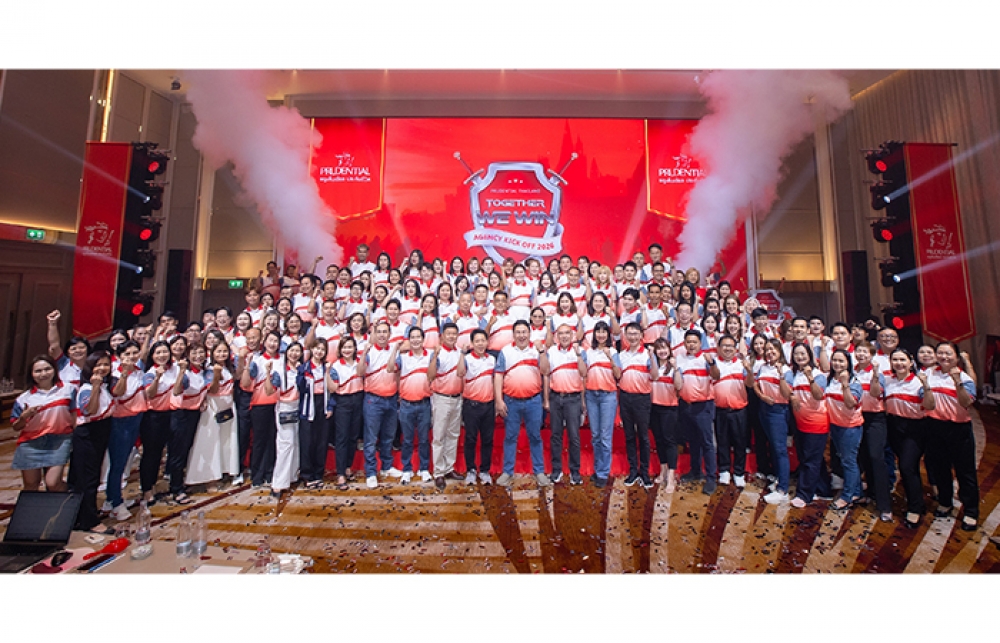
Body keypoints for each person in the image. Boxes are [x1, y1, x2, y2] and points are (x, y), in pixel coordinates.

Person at [925, 342, 980, 531]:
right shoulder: (929, 373)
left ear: (956, 357)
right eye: (940, 353)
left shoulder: (964, 377)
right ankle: (945, 502)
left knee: (965, 471)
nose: (944, 357)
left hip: (958, 429)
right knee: (940, 468)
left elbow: (967, 403)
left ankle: (971, 511)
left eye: (948, 353)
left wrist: (957, 382)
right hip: (935, 427)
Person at [494, 320, 551, 487]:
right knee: (510, 437)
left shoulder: (537, 350)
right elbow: (498, 376)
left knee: (535, 437)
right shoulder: (505, 351)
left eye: (524, 332)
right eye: (518, 332)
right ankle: (507, 471)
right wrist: (499, 400)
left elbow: (546, 371)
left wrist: (541, 352)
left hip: (533, 401)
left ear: (529, 333)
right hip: (511, 402)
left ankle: (539, 471)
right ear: (513, 334)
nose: (521, 335)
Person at [884, 348, 935, 529]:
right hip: (894, 426)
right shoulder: (888, 380)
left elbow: (930, 405)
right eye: (895, 360)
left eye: (902, 360)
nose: (899, 363)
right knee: (908, 467)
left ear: (910, 361)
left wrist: (926, 386)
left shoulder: (918, 382)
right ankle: (916, 500)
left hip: (915, 428)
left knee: (907, 466)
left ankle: (915, 508)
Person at [11, 355, 76, 492]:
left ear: (54, 370)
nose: (43, 374)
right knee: (31, 485)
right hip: (31, 443)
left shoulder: (68, 389)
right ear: (31, 374)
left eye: (47, 369)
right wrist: (23, 417)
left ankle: (72, 499)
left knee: (53, 483)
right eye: (38, 371)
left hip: (59, 441)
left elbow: (75, 416)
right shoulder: (24, 398)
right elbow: (16, 427)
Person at [186, 341, 239, 492]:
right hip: (213, 407)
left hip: (228, 406)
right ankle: (209, 478)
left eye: (224, 351)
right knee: (210, 443)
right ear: (212, 353)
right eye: (218, 352)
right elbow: (213, 389)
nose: (222, 354)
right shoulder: (209, 370)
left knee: (226, 441)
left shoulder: (229, 368)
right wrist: (216, 375)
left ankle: (224, 471)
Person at [785, 342, 832, 508]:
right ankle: (824, 490)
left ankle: (804, 495)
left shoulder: (818, 375)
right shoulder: (794, 374)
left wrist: (810, 378)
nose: (800, 357)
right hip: (800, 423)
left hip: (816, 423)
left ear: (810, 356)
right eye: (796, 354)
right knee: (812, 458)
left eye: (803, 354)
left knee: (810, 460)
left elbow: (818, 395)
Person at [676, 329, 720, 495]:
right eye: (688, 342)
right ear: (684, 343)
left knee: (707, 443)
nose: (691, 345)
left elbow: (716, 376)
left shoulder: (706, 358)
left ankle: (711, 478)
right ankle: (695, 471)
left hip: (703, 406)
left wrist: (712, 364)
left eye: (694, 342)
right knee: (693, 441)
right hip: (686, 405)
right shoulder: (680, 358)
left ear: (700, 343)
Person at [543, 324, 587, 485]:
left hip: (573, 399)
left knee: (574, 436)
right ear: (556, 336)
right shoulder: (551, 352)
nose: (564, 336)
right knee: (556, 435)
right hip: (556, 397)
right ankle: (556, 469)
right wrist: (546, 399)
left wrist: (578, 355)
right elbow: (546, 374)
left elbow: (584, 373)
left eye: (567, 333)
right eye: (561, 333)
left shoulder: (580, 351)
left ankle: (575, 471)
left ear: (572, 335)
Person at [361, 321, 402, 488]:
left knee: (388, 436)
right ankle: (371, 472)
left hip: (391, 398)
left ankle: (386, 466)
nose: (382, 335)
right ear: (375, 334)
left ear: (390, 334)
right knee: (371, 439)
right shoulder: (369, 351)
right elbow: (360, 372)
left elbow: (395, 371)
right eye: (379, 332)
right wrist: (363, 353)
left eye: (385, 332)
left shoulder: (395, 351)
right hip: (373, 400)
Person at [166, 342, 208, 505]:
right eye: (194, 353)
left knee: (187, 449)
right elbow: (176, 391)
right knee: (178, 452)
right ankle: (176, 489)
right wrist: (182, 371)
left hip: (194, 414)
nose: (198, 356)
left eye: (201, 352)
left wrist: (203, 400)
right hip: (180, 414)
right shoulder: (184, 372)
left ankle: (181, 482)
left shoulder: (203, 371)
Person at [853, 341, 891, 520]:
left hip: (875, 418)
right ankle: (869, 493)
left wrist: (875, 374)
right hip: (856, 417)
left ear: (871, 354)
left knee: (877, 457)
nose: (861, 354)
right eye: (858, 351)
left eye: (865, 351)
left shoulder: (877, 373)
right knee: (863, 457)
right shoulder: (851, 372)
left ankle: (885, 505)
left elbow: (876, 393)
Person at [390, 327, 434, 484]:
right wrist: (395, 349)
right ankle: (407, 469)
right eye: (412, 337)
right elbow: (390, 368)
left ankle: (424, 468)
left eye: (418, 337)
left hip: (424, 403)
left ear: (423, 339)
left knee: (424, 439)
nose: (415, 340)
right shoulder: (402, 357)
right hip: (406, 404)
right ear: (409, 340)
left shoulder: (430, 355)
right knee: (407, 440)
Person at [240, 331, 283, 488]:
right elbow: (245, 384)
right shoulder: (257, 360)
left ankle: (270, 473)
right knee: (259, 440)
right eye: (270, 340)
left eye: (276, 341)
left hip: (278, 405)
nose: (273, 344)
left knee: (273, 440)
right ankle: (257, 475)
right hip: (260, 404)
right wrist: (247, 366)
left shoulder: (283, 360)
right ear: (264, 342)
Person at [615, 323, 655, 488]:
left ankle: (644, 472)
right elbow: (617, 376)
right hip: (625, 397)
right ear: (625, 336)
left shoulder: (647, 354)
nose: (632, 337)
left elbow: (654, 375)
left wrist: (653, 358)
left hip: (642, 399)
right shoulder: (621, 355)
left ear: (641, 336)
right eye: (629, 334)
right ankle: (633, 471)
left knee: (643, 437)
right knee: (629, 436)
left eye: (635, 334)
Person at [139, 340, 179, 504]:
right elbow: (150, 394)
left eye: (165, 352)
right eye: (158, 353)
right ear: (152, 355)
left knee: (163, 454)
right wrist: (157, 378)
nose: (162, 355)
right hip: (153, 417)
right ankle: (147, 489)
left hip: (170, 415)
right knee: (151, 454)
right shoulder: (150, 373)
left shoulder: (173, 369)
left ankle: (155, 484)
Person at [825, 349, 865, 511]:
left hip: (850, 427)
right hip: (835, 425)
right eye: (835, 360)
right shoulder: (829, 379)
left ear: (848, 363)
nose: (837, 364)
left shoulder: (855, 381)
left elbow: (850, 404)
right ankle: (858, 493)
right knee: (846, 460)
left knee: (849, 462)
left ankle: (847, 497)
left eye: (841, 361)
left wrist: (845, 384)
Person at [713, 334, 754, 489]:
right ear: (718, 348)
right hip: (720, 409)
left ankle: (739, 472)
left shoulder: (742, 363)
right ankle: (724, 470)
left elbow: (749, 384)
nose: (728, 349)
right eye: (724, 345)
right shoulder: (714, 363)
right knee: (722, 441)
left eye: (731, 346)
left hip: (739, 410)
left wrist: (749, 371)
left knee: (740, 442)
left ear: (736, 348)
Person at [754, 338, 792, 504]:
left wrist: (781, 375)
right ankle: (778, 479)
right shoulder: (763, 367)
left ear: (779, 351)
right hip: (764, 409)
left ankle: (783, 489)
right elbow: (756, 384)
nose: (769, 352)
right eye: (767, 349)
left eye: (773, 349)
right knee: (773, 447)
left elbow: (787, 394)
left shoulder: (786, 369)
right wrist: (762, 396)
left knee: (780, 449)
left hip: (778, 411)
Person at [428, 323, 464, 489]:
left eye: (454, 334)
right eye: (448, 333)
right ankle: (438, 472)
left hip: (457, 398)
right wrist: (435, 356)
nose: (451, 336)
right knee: (439, 436)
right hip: (441, 398)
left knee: (453, 434)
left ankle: (449, 467)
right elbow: (430, 376)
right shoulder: (437, 352)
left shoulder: (460, 352)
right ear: (442, 335)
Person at [459, 329, 496, 485]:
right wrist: (462, 354)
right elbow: (460, 373)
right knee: (470, 439)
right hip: (471, 405)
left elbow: (495, 380)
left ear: (487, 342)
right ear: (472, 343)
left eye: (483, 341)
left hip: (489, 405)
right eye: (477, 341)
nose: (480, 344)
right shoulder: (467, 359)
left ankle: (485, 470)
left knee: (487, 439)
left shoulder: (492, 359)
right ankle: (471, 470)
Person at [328, 337, 365, 489]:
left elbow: (363, 373)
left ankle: (348, 467)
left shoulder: (359, 362)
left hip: (358, 399)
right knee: (342, 438)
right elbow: (333, 389)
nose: (347, 350)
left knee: (353, 437)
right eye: (344, 347)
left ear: (355, 348)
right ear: (340, 349)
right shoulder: (336, 366)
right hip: (343, 402)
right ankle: (340, 474)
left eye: (350, 347)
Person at [272, 342, 303, 498]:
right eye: (292, 350)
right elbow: (271, 389)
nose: (294, 354)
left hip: (299, 407)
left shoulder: (301, 369)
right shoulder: (279, 371)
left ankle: (292, 476)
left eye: (297, 351)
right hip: (285, 408)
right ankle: (278, 483)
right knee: (286, 444)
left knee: (295, 443)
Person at [649, 338, 679, 492]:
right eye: (659, 348)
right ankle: (663, 471)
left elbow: (679, 386)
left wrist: (676, 369)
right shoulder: (652, 366)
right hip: (654, 407)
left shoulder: (674, 366)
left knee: (669, 441)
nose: (662, 351)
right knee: (659, 440)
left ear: (669, 349)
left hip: (670, 408)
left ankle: (671, 477)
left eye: (664, 348)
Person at [46, 309, 89, 387]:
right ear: (68, 352)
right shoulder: (63, 363)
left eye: (81, 347)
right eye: (73, 349)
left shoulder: (94, 365)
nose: (78, 350)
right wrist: (52, 323)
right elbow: (54, 346)